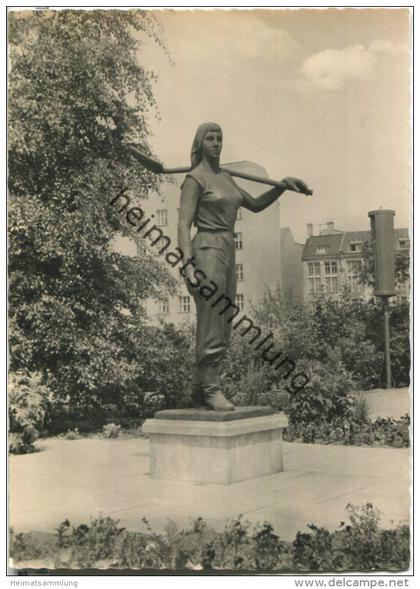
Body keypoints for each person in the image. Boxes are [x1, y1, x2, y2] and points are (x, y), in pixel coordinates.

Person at [177, 122, 309, 411]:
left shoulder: (225, 178)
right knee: (213, 319)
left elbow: (256, 204)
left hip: (227, 248)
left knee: (223, 320)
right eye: (210, 138)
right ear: (200, 144)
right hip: (206, 250)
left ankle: (199, 389)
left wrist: (283, 185)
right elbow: (183, 225)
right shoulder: (194, 179)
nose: (216, 142)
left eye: (220, 137)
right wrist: (187, 265)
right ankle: (211, 388)